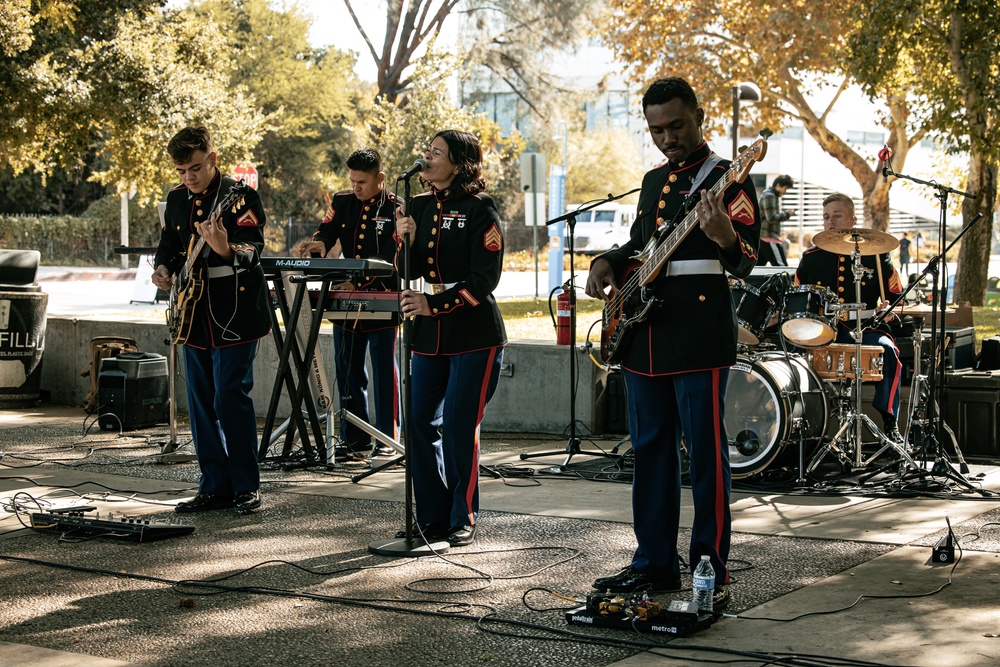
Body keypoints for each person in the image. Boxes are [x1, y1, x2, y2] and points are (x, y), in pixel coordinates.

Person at [585, 78, 761, 608]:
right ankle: (653, 563)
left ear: (699, 116)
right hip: (644, 332)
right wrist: (609, 262)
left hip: (698, 334)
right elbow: (643, 244)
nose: (667, 138)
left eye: (676, 126)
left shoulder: (727, 178)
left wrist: (725, 233)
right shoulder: (652, 179)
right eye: (657, 129)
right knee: (650, 452)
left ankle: (708, 565)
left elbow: (747, 257)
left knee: (706, 456)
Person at [394, 130, 506, 547]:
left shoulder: (481, 209)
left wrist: (435, 305)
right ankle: (432, 515)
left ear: (458, 164)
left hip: (473, 331)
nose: (427, 158)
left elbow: (484, 279)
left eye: (436, 152)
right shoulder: (417, 206)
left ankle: (464, 515)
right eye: (427, 151)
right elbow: (404, 271)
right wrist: (402, 239)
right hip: (427, 335)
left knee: (460, 425)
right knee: (419, 422)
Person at [152, 126, 271, 515]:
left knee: (229, 395)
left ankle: (245, 486)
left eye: (196, 168)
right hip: (194, 314)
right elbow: (169, 244)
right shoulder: (176, 199)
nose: (189, 178)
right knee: (201, 401)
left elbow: (253, 250)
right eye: (182, 171)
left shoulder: (240, 196)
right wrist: (163, 268)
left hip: (234, 311)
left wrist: (224, 247)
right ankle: (214, 485)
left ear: (213, 158)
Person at [297, 148, 401, 462]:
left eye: (363, 182)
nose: (356, 187)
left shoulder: (396, 208)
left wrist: (359, 284)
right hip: (346, 300)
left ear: (380, 178)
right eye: (353, 181)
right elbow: (327, 229)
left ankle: (387, 438)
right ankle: (354, 439)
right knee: (348, 372)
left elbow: (392, 257)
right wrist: (319, 243)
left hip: (381, 295)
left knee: (384, 372)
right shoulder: (342, 201)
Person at [794, 193, 904, 441]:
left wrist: (889, 310)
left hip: (866, 328)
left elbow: (898, 297)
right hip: (823, 331)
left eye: (836, 216)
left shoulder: (877, 254)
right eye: (826, 217)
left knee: (889, 351)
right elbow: (798, 298)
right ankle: (802, 424)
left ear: (853, 219)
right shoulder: (811, 258)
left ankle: (890, 421)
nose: (830, 221)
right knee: (795, 356)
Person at [756, 174, 795, 266]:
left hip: (763, 237)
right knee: (782, 267)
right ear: (778, 185)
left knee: (758, 267)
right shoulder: (769, 196)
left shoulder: (769, 194)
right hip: (768, 237)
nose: (785, 192)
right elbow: (771, 218)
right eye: (785, 189)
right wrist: (787, 214)